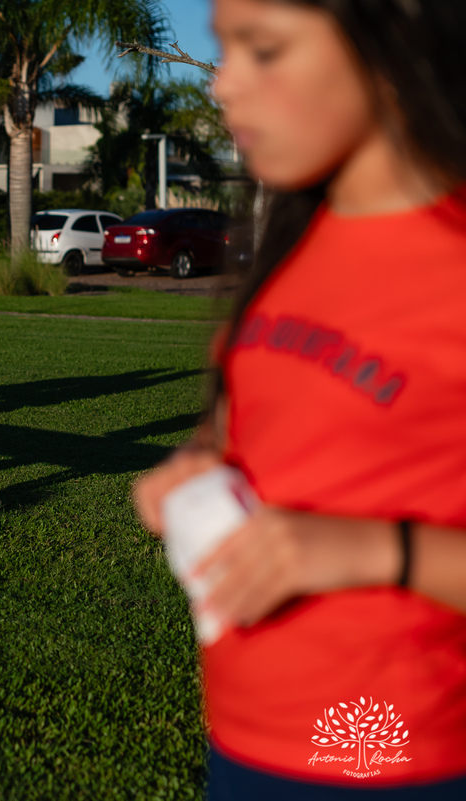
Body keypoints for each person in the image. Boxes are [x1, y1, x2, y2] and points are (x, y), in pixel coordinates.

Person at [134, 1, 466, 797]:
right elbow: (252, 418)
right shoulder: (293, 235)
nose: (222, 84)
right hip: (245, 741)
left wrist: (372, 550)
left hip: (401, 759)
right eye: (223, 47)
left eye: (264, 49)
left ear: (394, 43)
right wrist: (200, 459)